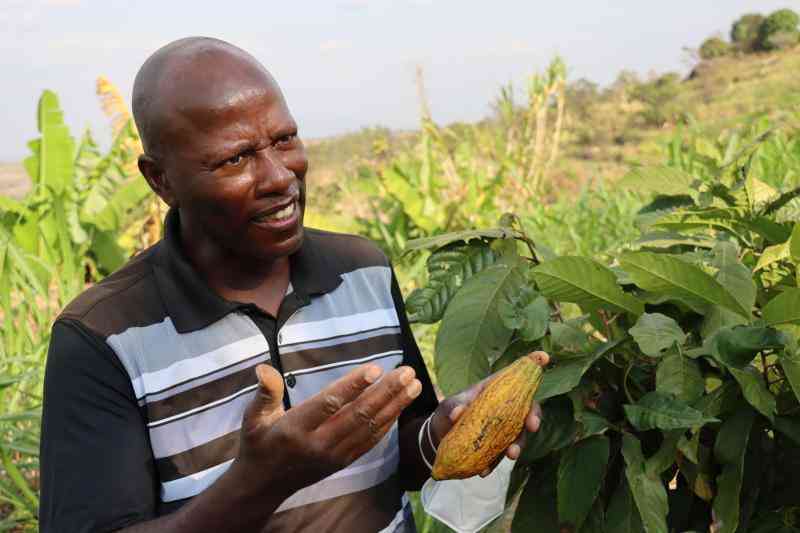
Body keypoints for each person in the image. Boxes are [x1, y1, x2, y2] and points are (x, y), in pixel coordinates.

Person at [38, 37, 548, 533]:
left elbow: (401, 460)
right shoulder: (102, 336)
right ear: (161, 180)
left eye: (285, 140)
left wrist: (441, 434)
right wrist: (260, 481)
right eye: (235, 158)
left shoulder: (362, 271)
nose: (281, 176)